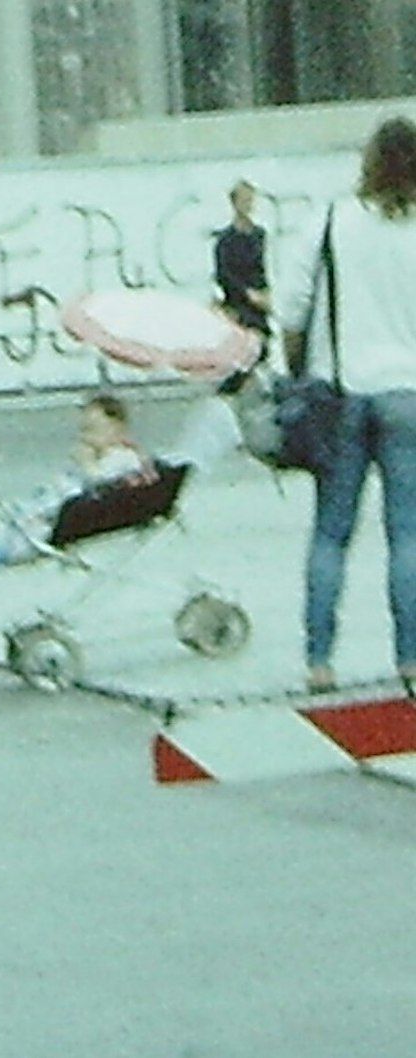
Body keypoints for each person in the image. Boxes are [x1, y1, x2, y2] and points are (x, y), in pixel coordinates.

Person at [275, 116, 416, 694]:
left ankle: (319, 661)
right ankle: (409, 660)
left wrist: (297, 369)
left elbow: (291, 308)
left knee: (331, 533)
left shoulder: (332, 221)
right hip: (408, 394)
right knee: (407, 534)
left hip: (340, 395)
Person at [0, 393, 154, 567]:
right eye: (83, 430)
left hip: (81, 510)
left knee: (37, 517)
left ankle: (19, 550)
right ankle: (12, 543)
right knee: (29, 507)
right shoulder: (103, 455)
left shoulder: (123, 457)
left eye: (91, 430)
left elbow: (99, 479)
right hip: (74, 503)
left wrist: (86, 463)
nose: (85, 438)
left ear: (116, 430)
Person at [214, 179, 271, 338]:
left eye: (250, 200)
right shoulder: (226, 240)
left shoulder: (260, 235)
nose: (248, 205)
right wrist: (248, 293)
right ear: (234, 203)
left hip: (260, 303)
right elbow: (223, 275)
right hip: (238, 303)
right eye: (244, 200)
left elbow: (265, 267)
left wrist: (266, 294)